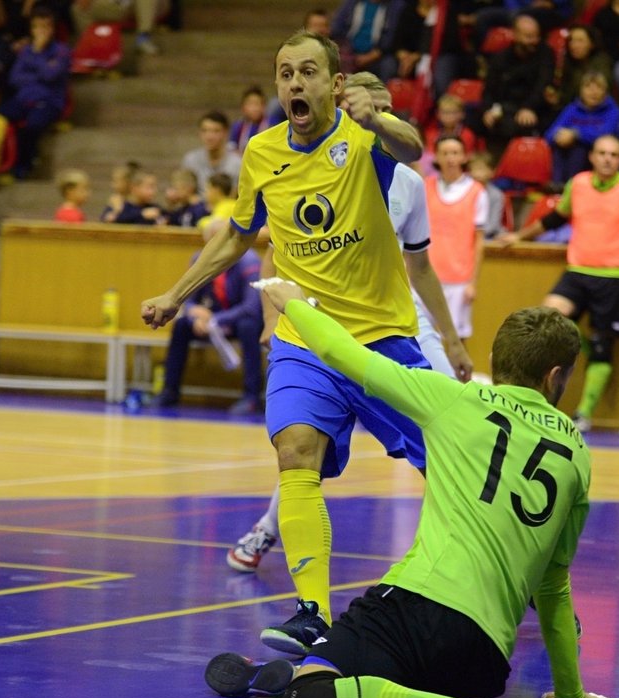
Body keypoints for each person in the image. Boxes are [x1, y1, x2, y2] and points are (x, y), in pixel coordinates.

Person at [207, 282, 619, 698]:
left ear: (495, 356)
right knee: (369, 694)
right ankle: (360, 688)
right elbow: (554, 587)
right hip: (482, 661)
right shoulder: (577, 455)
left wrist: (290, 300)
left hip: (412, 611)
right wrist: (570, 694)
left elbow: (341, 352)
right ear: (556, 378)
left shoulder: (454, 400)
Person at [141, 32, 429, 655]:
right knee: (295, 452)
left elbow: (415, 147)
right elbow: (236, 234)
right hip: (306, 336)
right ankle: (313, 613)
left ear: (333, 83)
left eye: (308, 72)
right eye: (284, 74)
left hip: (380, 336)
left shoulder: (363, 137)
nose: (294, 83)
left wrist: (376, 115)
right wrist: (177, 293)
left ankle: (501, 583)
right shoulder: (262, 150)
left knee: (448, 464)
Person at [227, 71, 473, 573]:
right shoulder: (307, 167)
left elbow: (420, 267)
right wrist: (274, 317)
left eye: (385, 110)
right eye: (366, 109)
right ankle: (268, 529)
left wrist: (452, 340)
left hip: (391, 325)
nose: (375, 118)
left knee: (450, 439)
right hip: (321, 325)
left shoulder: (407, 181)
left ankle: (480, 550)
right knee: (302, 443)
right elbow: (277, 253)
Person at [498, 134, 619, 433]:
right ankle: (541, 398)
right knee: (547, 319)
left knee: (602, 345)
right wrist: (519, 236)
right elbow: (556, 218)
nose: (608, 158)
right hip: (577, 270)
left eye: (614, 154)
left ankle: (584, 413)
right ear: (592, 156)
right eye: (602, 152)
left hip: (614, 275)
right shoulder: (578, 183)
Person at [156, 246, 265, 413]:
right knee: (181, 325)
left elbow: (251, 307)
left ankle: (252, 397)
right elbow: (187, 299)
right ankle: (169, 391)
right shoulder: (200, 259)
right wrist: (194, 315)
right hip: (207, 320)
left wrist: (215, 320)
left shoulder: (249, 261)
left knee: (248, 326)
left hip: (237, 319)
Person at [425, 134, 488, 341]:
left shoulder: (477, 192)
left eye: (455, 153)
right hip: (425, 276)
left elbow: (479, 242)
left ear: (464, 157)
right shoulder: (425, 187)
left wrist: (473, 283)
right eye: (445, 153)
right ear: (436, 157)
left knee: (456, 341)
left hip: (458, 280)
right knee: (418, 337)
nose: (450, 158)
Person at [0, 5, 70, 179]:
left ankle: (23, 166)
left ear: (52, 28)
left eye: (46, 26)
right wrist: (40, 67)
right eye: (38, 26)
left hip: (49, 102)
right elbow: (14, 78)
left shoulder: (62, 51)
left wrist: (37, 54)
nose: (41, 31)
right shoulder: (25, 50)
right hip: (24, 99)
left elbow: (51, 75)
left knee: (32, 125)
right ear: (31, 29)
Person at [477, 14, 556, 156]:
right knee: (476, 118)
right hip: (504, 107)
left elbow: (543, 85)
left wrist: (529, 107)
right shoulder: (500, 58)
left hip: (533, 108)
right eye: (528, 36)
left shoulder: (545, 54)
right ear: (515, 35)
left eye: (536, 36)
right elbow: (489, 89)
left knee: (518, 125)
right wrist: (488, 110)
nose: (534, 41)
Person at [544, 70, 619, 187]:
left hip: (595, 156)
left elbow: (605, 134)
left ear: (605, 92)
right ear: (581, 91)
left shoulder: (612, 110)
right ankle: (557, 186)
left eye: (598, 88)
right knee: (559, 146)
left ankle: (573, 187)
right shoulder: (572, 109)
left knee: (579, 148)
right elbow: (549, 135)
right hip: (565, 155)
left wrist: (576, 134)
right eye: (588, 88)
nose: (593, 92)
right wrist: (560, 136)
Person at [548, 25, 613, 111]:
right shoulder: (567, 62)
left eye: (580, 41)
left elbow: (601, 87)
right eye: (571, 40)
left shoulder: (602, 61)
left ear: (592, 44)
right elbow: (565, 93)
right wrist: (557, 97)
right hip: (571, 109)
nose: (574, 45)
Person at [181, 111, 242, 200]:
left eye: (216, 131)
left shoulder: (237, 163)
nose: (209, 136)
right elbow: (184, 192)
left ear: (225, 133)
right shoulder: (190, 160)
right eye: (205, 131)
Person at [72, 0, 164, 56]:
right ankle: (89, 46)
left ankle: (143, 38)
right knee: (77, 8)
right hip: (110, 5)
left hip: (131, 5)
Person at [228, 86, 270, 156]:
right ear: (243, 107)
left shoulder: (272, 124)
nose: (254, 108)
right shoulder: (238, 126)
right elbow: (231, 147)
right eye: (250, 104)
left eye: (257, 104)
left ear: (263, 106)